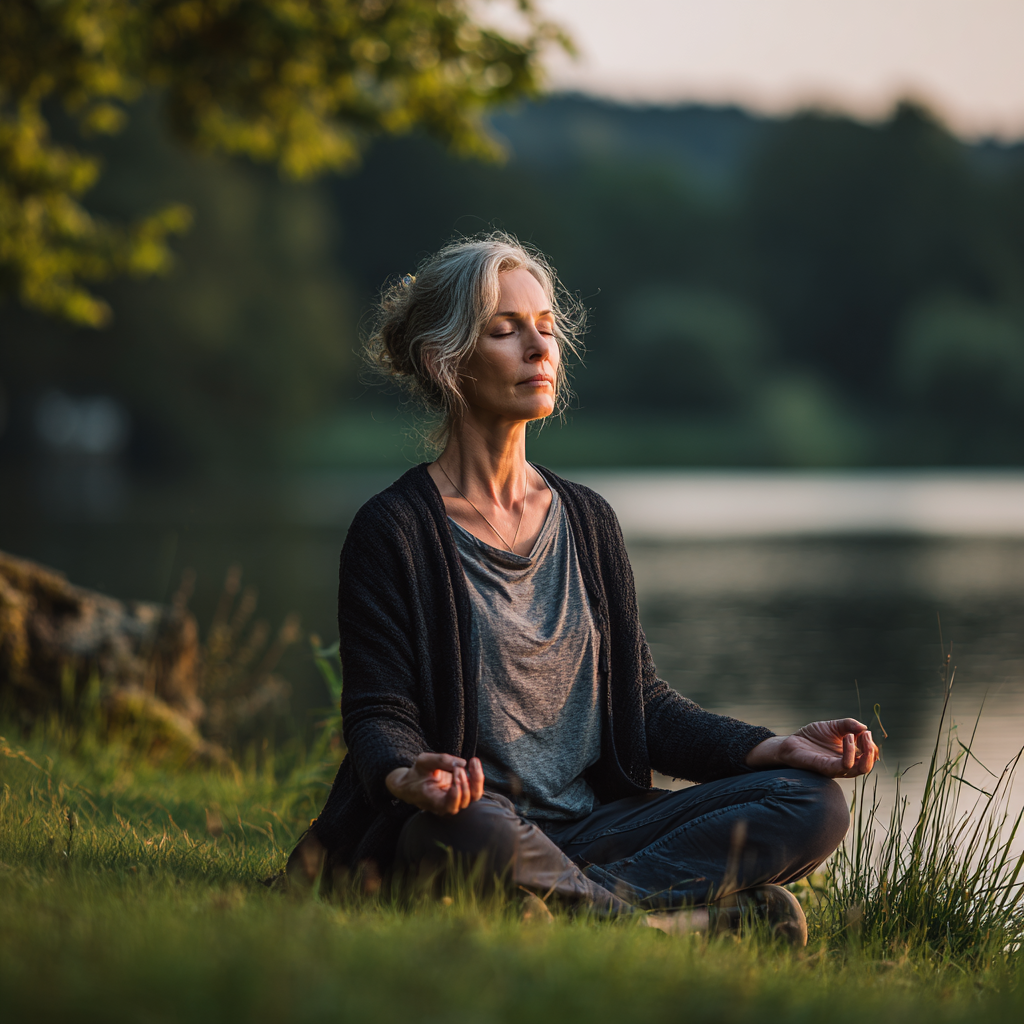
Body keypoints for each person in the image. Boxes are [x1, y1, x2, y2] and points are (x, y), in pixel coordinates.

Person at [286, 232, 878, 943]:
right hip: (476, 823)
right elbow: (380, 710)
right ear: (443, 362)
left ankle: (578, 908)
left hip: (598, 829)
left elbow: (647, 706)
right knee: (461, 833)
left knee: (811, 804)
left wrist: (771, 747)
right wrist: (411, 775)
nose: (539, 350)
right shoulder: (394, 531)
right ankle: (660, 928)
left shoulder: (589, 521)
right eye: (506, 331)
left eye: (546, 329)